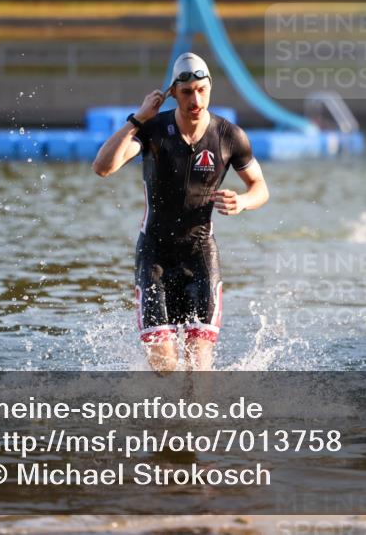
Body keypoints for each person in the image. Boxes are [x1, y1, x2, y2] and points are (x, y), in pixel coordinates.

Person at [92, 53, 270, 372]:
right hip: (155, 256)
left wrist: (243, 201)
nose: (195, 100)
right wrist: (138, 119)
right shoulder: (153, 131)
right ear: (173, 93)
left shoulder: (229, 136)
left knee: (198, 368)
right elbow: (103, 167)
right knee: (165, 366)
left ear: (210, 88)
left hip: (200, 255)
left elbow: (260, 187)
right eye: (187, 92)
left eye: (202, 90)